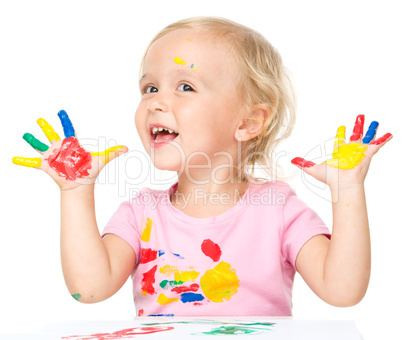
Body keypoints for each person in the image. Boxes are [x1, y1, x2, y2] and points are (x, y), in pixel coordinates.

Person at [12, 16, 392, 317]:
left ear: (248, 122)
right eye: (150, 88)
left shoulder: (279, 209)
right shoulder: (140, 212)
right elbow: (89, 289)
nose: (155, 103)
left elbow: (342, 293)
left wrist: (348, 191)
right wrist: (76, 193)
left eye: (186, 87)